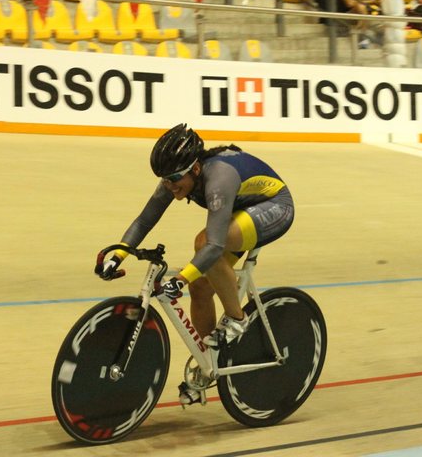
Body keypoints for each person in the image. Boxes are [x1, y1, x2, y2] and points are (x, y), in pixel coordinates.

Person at [96, 123, 295, 406]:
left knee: (204, 245)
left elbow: (213, 246)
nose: (170, 186)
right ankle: (209, 364)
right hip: (239, 207)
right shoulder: (176, 177)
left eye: (174, 179)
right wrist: (118, 255)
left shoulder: (219, 178)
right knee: (201, 289)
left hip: (274, 207)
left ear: (195, 169)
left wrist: (181, 279)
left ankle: (237, 320)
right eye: (164, 180)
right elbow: (144, 220)